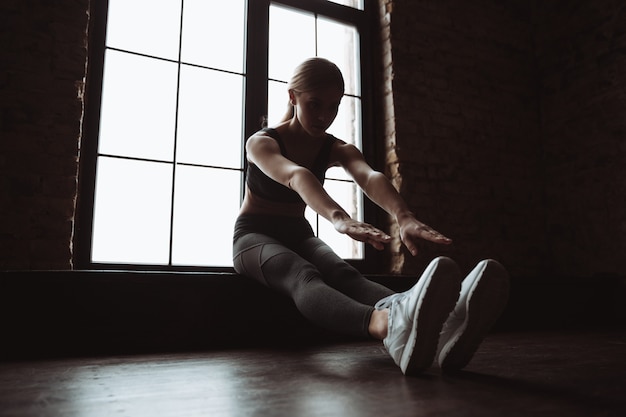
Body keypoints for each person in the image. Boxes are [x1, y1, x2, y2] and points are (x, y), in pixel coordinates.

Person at [232, 57, 509, 375]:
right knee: (303, 274)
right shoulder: (262, 143)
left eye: (334, 107)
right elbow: (296, 176)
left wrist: (403, 216)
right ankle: (389, 326)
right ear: (293, 96)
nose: (325, 116)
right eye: (315, 104)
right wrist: (338, 218)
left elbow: (369, 176)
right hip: (254, 237)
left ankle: (444, 325)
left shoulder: (334, 147)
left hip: (298, 231)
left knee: (343, 272)